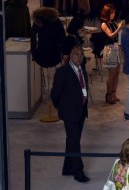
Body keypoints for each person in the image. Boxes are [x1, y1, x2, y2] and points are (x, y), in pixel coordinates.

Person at [50, 46, 90, 183]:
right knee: (74, 143)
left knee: (72, 140)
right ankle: (78, 172)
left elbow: (83, 87)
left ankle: (67, 167)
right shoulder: (62, 72)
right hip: (70, 113)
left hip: (81, 111)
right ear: (71, 56)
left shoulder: (82, 69)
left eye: (81, 54)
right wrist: (62, 107)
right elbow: (54, 94)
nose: (79, 57)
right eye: (76, 54)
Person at [100, 4, 125, 104]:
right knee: (112, 74)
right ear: (106, 13)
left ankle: (113, 93)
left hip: (116, 48)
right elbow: (110, 35)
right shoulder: (103, 24)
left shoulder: (113, 22)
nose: (113, 14)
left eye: (114, 12)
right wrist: (119, 28)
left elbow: (117, 36)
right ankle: (108, 94)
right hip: (109, 49)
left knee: (117, 72)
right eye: (111, 12)